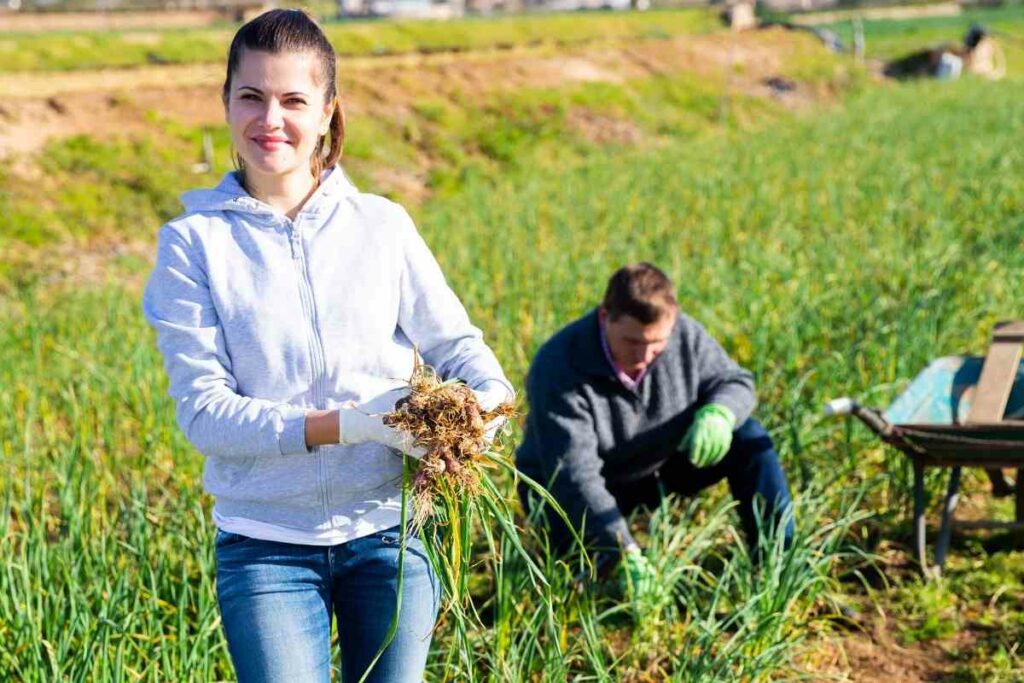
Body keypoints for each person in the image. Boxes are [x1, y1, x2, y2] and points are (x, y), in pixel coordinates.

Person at [141, 10, 512, 682]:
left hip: (391, 532)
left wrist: (478, 418)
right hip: (267, 547)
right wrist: (350, 424)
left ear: (327, 112)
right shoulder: (193, 244)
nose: (270, 119)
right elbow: (204, 412)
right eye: (250, 96)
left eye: (292, 100)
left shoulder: (382, 225)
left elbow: (463, 350)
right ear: (225, 104)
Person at [516, 263, 793, 592]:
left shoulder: (684, 336)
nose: (646, 355)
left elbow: (735, 381)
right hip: (565, 491)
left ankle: (780, 565)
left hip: (655, 468)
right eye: (633, 342)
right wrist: (623, 548)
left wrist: (720, 412)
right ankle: (598, 567)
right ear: (605, 317)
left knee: (749, 437)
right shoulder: (559, 365)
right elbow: (575, 475)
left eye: (657, 344)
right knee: (591, 589)